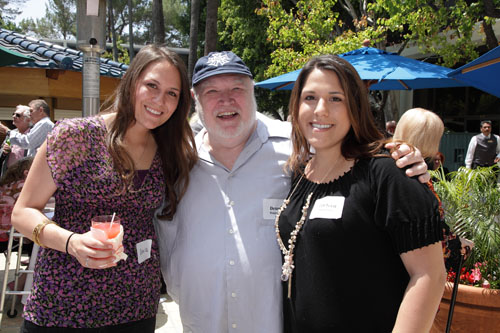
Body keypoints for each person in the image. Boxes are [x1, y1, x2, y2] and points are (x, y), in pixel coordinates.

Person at [154, 51, 431, 333]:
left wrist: (403, 156)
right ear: (194, 98)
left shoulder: (299, 148)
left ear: (253, 90)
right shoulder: (172, 159)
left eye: (237, 87)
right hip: (202, 323)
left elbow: (426, 271)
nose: (226, 100)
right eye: (212, 91)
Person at [11, 44, 197, 332]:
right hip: (63, 303)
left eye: (172, 93)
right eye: (152, 86)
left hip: (137, 305)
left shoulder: (170, 150)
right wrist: (71, 242)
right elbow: (23, 213)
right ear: (132, 82)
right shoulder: (74, 137)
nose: (160, 101)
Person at [276, 56, 445, 332]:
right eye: (310, 97)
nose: (321, 110)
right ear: (296, 106)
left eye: (335, 99)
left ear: (355, 106)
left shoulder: (387, 173)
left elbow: (429, 276)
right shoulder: (298, 173)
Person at [393, 108, 473, 271]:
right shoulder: (417, 176)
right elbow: (434, 234)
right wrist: (459, 245)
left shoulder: (382, 167)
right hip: (410, 274)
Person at [0, 156, 34, 253]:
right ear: (26, 173)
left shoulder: (5, 185)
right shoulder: (24, 187)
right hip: (9, 235)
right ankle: (33, 264)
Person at [0, 105, 32, 176]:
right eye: (13, 114)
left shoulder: (33, 134)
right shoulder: (11, 134)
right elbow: (1, 154)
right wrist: (4, 152)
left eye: (18, 115)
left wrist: (6, 130)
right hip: (9, 176)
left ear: (28, 119)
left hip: (24, 176)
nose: (14, 116)